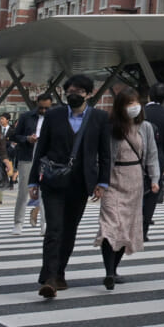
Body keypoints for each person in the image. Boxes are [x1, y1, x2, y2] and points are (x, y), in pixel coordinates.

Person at [28, 74, 113, 299]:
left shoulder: (99, 117)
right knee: (54, 229)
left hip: (80, 183)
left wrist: (102, 182)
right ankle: (49, 278)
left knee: (69, 230)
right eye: (70, 91)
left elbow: (105, 154)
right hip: (53, 181)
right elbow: (41, 148)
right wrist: (33, 181)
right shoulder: (54, 115)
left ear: (89, 93)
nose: (73, 95)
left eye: (79, 91)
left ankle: (60, 272)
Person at [95, 88, 159, 290]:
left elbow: (151, 155)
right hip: (113, 180)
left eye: (135, 102)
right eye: (128, 103)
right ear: (120, 107)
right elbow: (103, 157)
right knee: (109, 225)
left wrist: (155, 178)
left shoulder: (145, 127)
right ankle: (108, 272)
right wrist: (99, 182)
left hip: (135, 181)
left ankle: (114, 269)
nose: (133, 107)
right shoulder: (111, 128)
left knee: (127, 228)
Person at [9, 94, 52, 235]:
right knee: (23, 190)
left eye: (47, 108)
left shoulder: (54, 118)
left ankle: (44, 224)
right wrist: (27, 138)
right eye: (41, 108)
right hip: (28, 155)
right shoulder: (26, 116)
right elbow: (15, 136)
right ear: (36, 104)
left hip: (46, 157)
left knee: (45, 192)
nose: (44, 111)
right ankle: (18, 223)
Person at [142, 83, 164, 235]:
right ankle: (144, 229)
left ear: (149, 95)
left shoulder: (142, 112)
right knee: (152, 193)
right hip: (158, 158)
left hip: (138, 156)